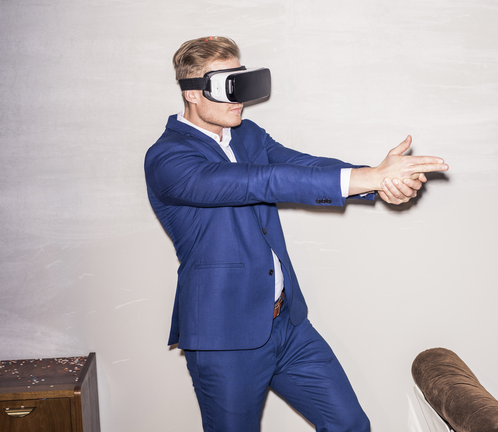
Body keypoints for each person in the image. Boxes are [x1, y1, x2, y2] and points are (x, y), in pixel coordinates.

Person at [144, 36, 448, 432]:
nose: (239, 99)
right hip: (225, 337)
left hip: (287, 324)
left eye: (242, 81)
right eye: (225, 87)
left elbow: (302, 166)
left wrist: (377, 183)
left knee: (349, 424)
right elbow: (261, 182)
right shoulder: (168, 158)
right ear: (192, 95)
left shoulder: (248, 135)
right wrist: (369, 177)